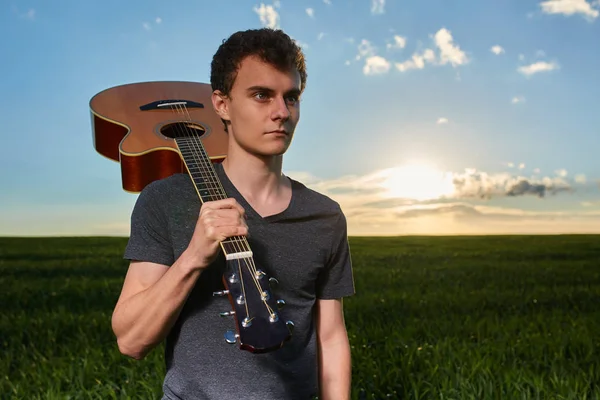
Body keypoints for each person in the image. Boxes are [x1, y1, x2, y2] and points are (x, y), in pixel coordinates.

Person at [111, 28, 355, 400]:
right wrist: (194, 256)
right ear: (222, 104)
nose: (281, 112)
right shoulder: (165, 199)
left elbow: (331, 335)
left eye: (292, 97)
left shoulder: (324, 216)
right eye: (261, 95)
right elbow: (130, 340)